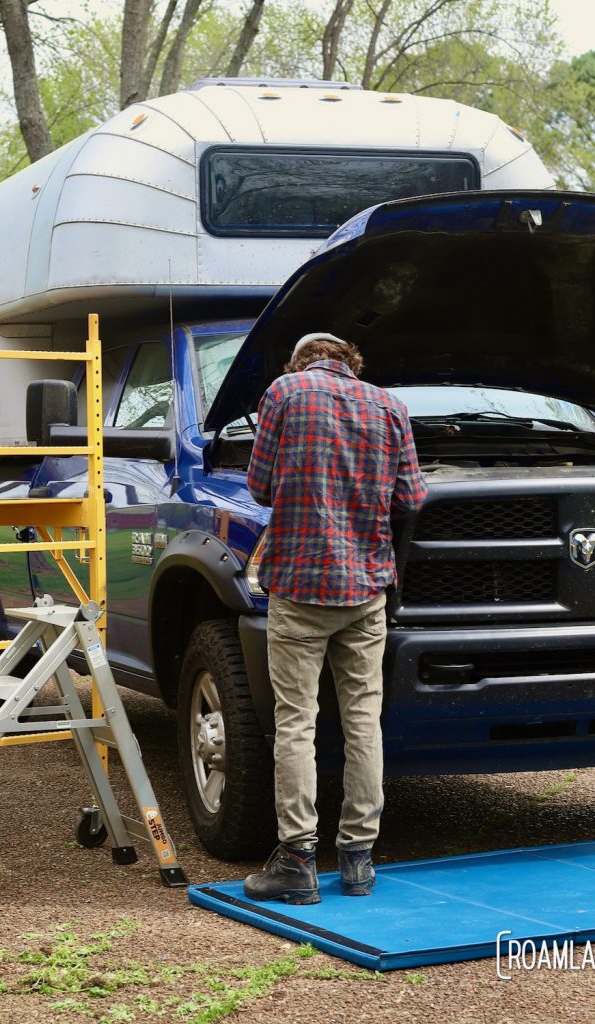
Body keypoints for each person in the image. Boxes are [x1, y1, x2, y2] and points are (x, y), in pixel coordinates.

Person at [243, 332, 427, 905]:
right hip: (365, 588)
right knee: (362, 720)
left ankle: (297, 861)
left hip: (299, 585)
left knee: (296, 721)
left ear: (301, 362)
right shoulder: (390, 405)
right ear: (352, 363)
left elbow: (259, 485)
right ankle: (358, 861)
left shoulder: (284, 393)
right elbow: (414, 498)